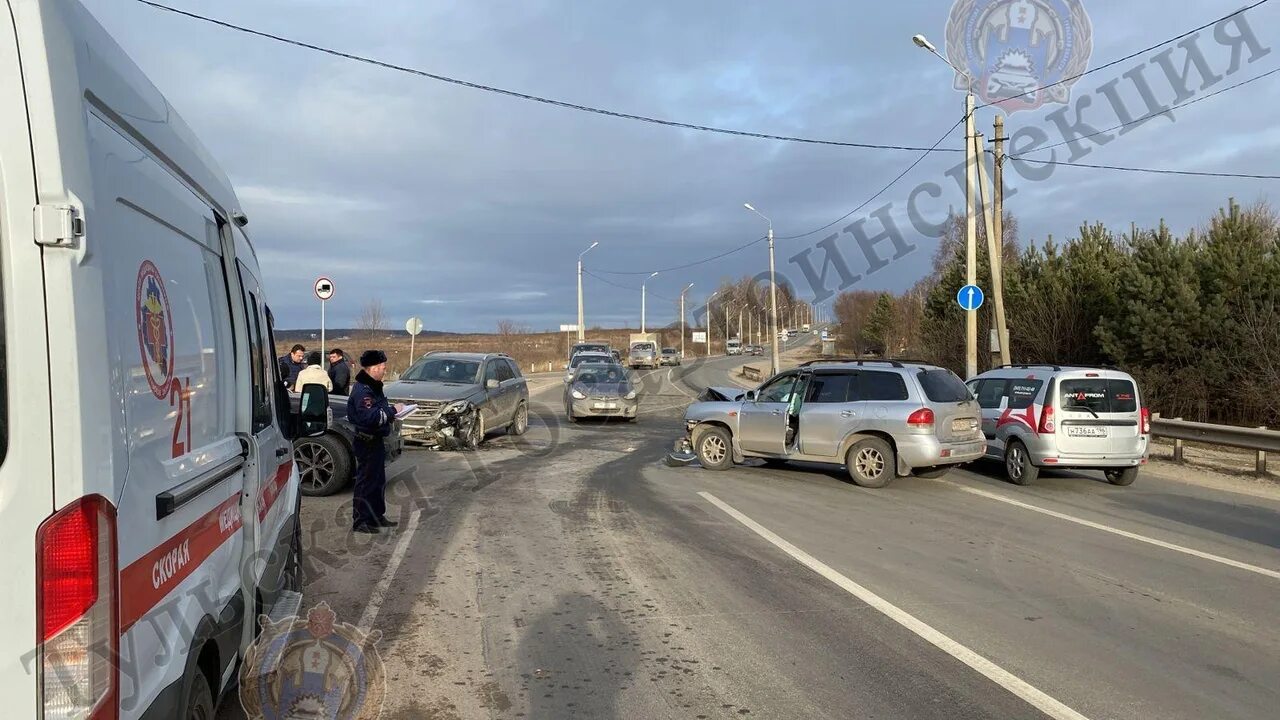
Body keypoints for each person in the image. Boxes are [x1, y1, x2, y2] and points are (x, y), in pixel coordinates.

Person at [347, 350, 404, 534]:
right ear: (373, 368)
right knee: (365, 482)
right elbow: (370, 417)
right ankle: (361, 520)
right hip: (366, 442)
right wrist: (393, 411)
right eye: (382, 367)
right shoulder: (363, 390)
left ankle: (376, 516)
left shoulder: (374, 387)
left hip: (376, 441)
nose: (385, 370)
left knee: (378, 481)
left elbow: (380, 410)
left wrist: (390, 412)